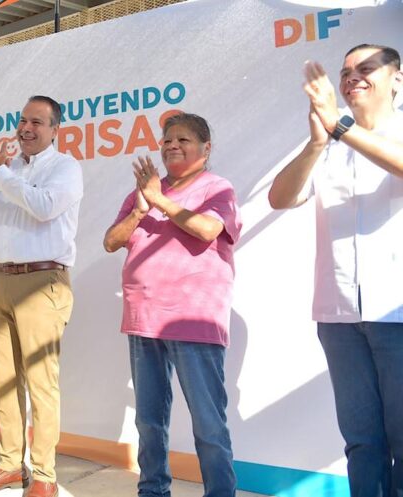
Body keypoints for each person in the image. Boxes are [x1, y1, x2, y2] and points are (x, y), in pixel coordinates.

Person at [268, 44, 403, 497]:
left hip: (397, 314)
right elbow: (281, 198)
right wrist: (316, 142)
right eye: (345, 72)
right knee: (362, 442)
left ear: (398, 79)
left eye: (366, 69)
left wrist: (338, 126)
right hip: (340, 315)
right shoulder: (330, 144)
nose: (352, 78)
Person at [103, 113, 241, 497]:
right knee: (149, 420)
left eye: (183, 140)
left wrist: (159, 199)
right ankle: (152, 491)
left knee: (208, 422)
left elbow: (208, 230)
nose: (172, 146)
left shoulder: (218, 188)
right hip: (143, 318)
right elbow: (111, 242)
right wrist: (139, 209)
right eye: (166, 141)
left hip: (193, 319)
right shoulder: (143, 193)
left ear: (206, 148)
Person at [0, 96, 83, 497]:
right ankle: (10, 465)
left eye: (37, 122)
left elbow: (44, 206)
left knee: (41, 384)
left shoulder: (66, 168)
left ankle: (45, 477)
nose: (26, 128)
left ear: (54, 130)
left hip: (42, 281)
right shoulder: (8, 169)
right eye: (22, 121)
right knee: (4, 380)